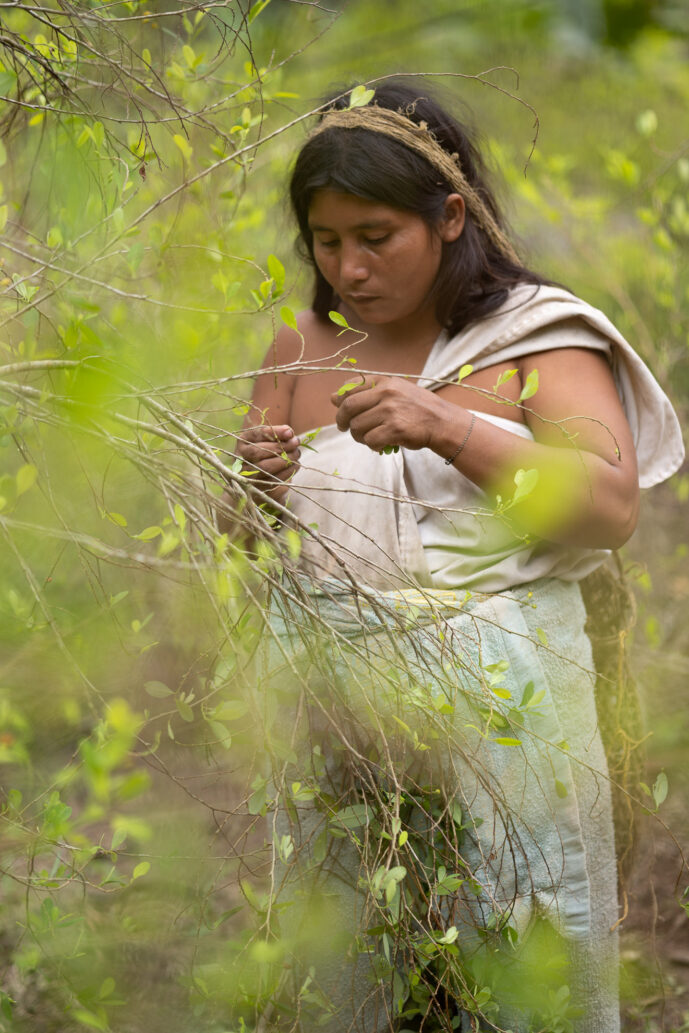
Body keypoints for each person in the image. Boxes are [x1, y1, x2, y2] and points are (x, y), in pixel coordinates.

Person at [226, 80, 684, 1033]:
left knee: (519, 955)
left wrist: (447, 426)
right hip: (336, 721)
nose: (349, 268)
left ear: (449, 216)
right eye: (326, 240)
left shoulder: (531, 340)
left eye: (375, 236)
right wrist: (249, 490)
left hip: (504, 723)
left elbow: (607, 509)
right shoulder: (299, 348)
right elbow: (244, 539)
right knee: (348, 961)